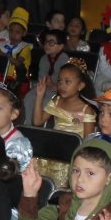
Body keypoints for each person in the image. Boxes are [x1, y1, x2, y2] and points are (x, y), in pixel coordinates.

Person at [31, 60, 96, 188]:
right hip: (53, 149)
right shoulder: (57, 101)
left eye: (67, 82)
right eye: (60, 81)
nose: (62, 85)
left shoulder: (86, 109)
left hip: (71, 155)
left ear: (80, 85)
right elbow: (37, 122)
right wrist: (39, 96)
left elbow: (88, 142)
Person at [23, 29, 69, 120]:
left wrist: (53, 85)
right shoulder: (43, 59)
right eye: (46, 42)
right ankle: (28, 123)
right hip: (44, 88)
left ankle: (39, 124)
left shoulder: (65, 60)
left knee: (45, 102)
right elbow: (42, 78)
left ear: (61, 46)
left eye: (51, 43)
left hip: (58, 91)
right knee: (29, 98)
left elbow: (65, 83)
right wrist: (44, 84)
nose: (47, 45)